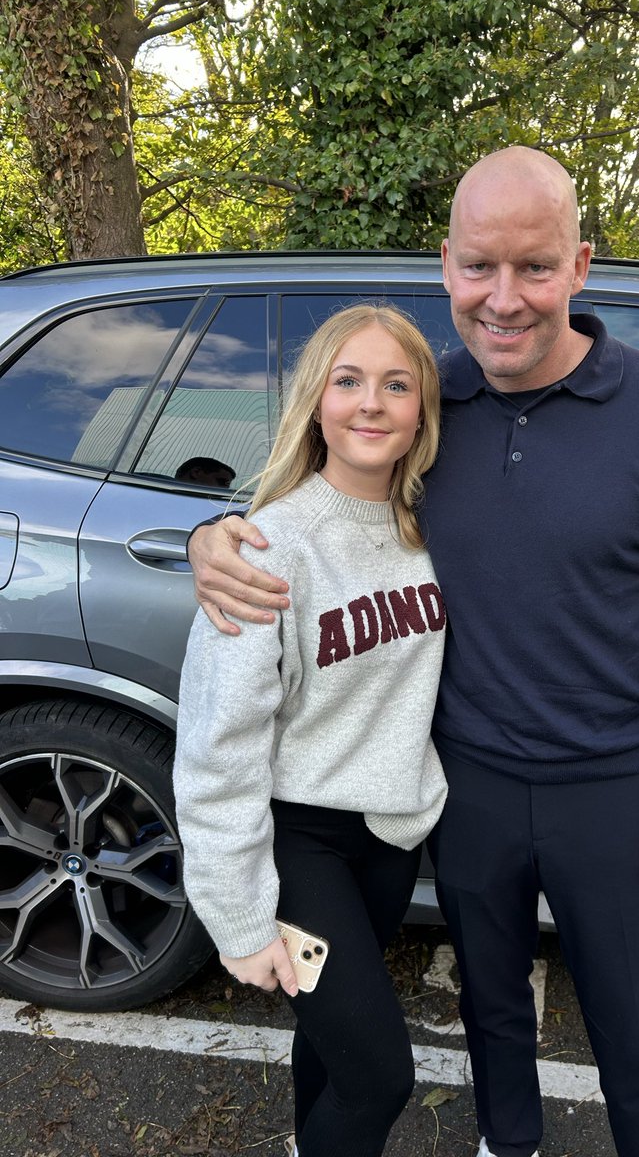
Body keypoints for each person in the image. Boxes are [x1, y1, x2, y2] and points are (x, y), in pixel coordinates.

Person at [187, 147, 639, 1157]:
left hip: (615, 787)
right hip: (462, 785)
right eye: (480, 267)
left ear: (580, 266)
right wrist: (213, 534)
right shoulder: (424, 401)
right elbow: (320, 478)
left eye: (534, 268)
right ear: (446, 265)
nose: (505, 298)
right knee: (491, 1007)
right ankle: (508, 1144)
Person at [174, 304, 447, 1157]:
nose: (372, 403)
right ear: (316, 401)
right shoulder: (266, 549)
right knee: (380, 1076)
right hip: (302, 843)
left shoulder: (430, 530)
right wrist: (239, 915)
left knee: (329, 1047)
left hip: (390, 836)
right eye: (350, 380)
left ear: (422, 411)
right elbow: (219, 745)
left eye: (396, 384)